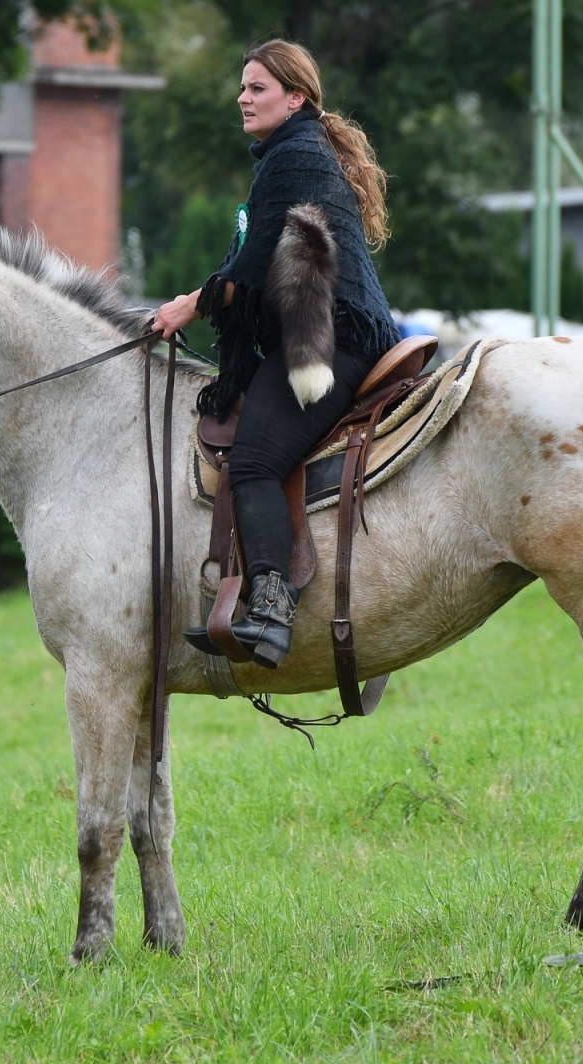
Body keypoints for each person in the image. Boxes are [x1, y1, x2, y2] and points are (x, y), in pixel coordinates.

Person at [156, 39, 403, 668]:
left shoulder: (294, 158)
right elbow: (251, 261)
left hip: (332, 338)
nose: (243, 97)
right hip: (327, 330)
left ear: (295, 98)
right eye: (242, 87)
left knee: (256, 463)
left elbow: (255, 265)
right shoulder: (292, 154)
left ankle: (270, 611)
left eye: (257, 88)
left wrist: (191, 304)